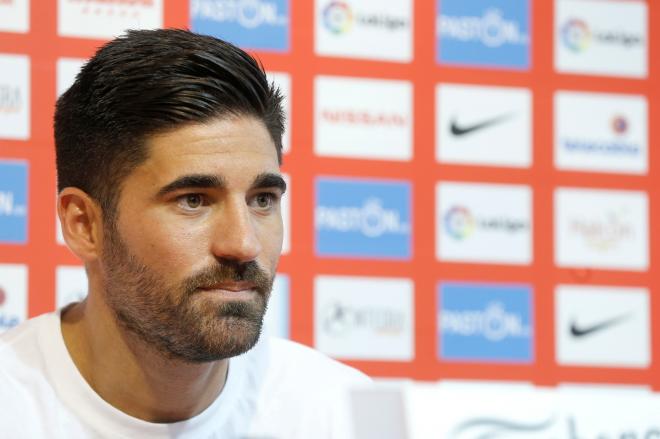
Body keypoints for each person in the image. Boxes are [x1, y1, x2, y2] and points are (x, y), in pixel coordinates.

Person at [0, 29, 368, 438]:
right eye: (193, 200)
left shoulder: (340, 411)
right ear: (83, 224)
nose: (243, 244)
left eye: (262, 199)